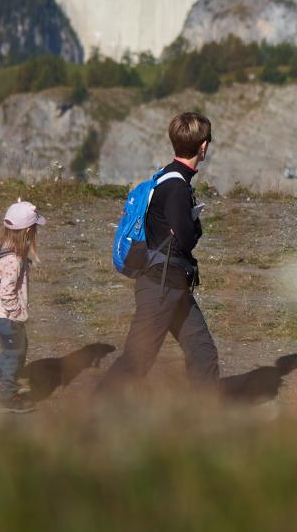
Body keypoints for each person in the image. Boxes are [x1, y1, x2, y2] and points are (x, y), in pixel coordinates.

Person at [102, 111, 219, 387]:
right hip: (161, 285)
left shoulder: (165, 177)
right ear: (203, 147)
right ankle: (99, 408)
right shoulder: (177, 188)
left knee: (202, 351)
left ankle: (207, 411)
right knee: (137, 360)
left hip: (170, 282)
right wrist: (195, 226)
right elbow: (187, 239)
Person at [0, 198, 44, 410]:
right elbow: (6, 291)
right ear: (28, 231)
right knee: (15, 356)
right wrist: (16, 314)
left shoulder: (5, 245)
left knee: (13, 351)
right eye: (35, 228)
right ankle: (7, 395)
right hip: (6, 316)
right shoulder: (14, 258)